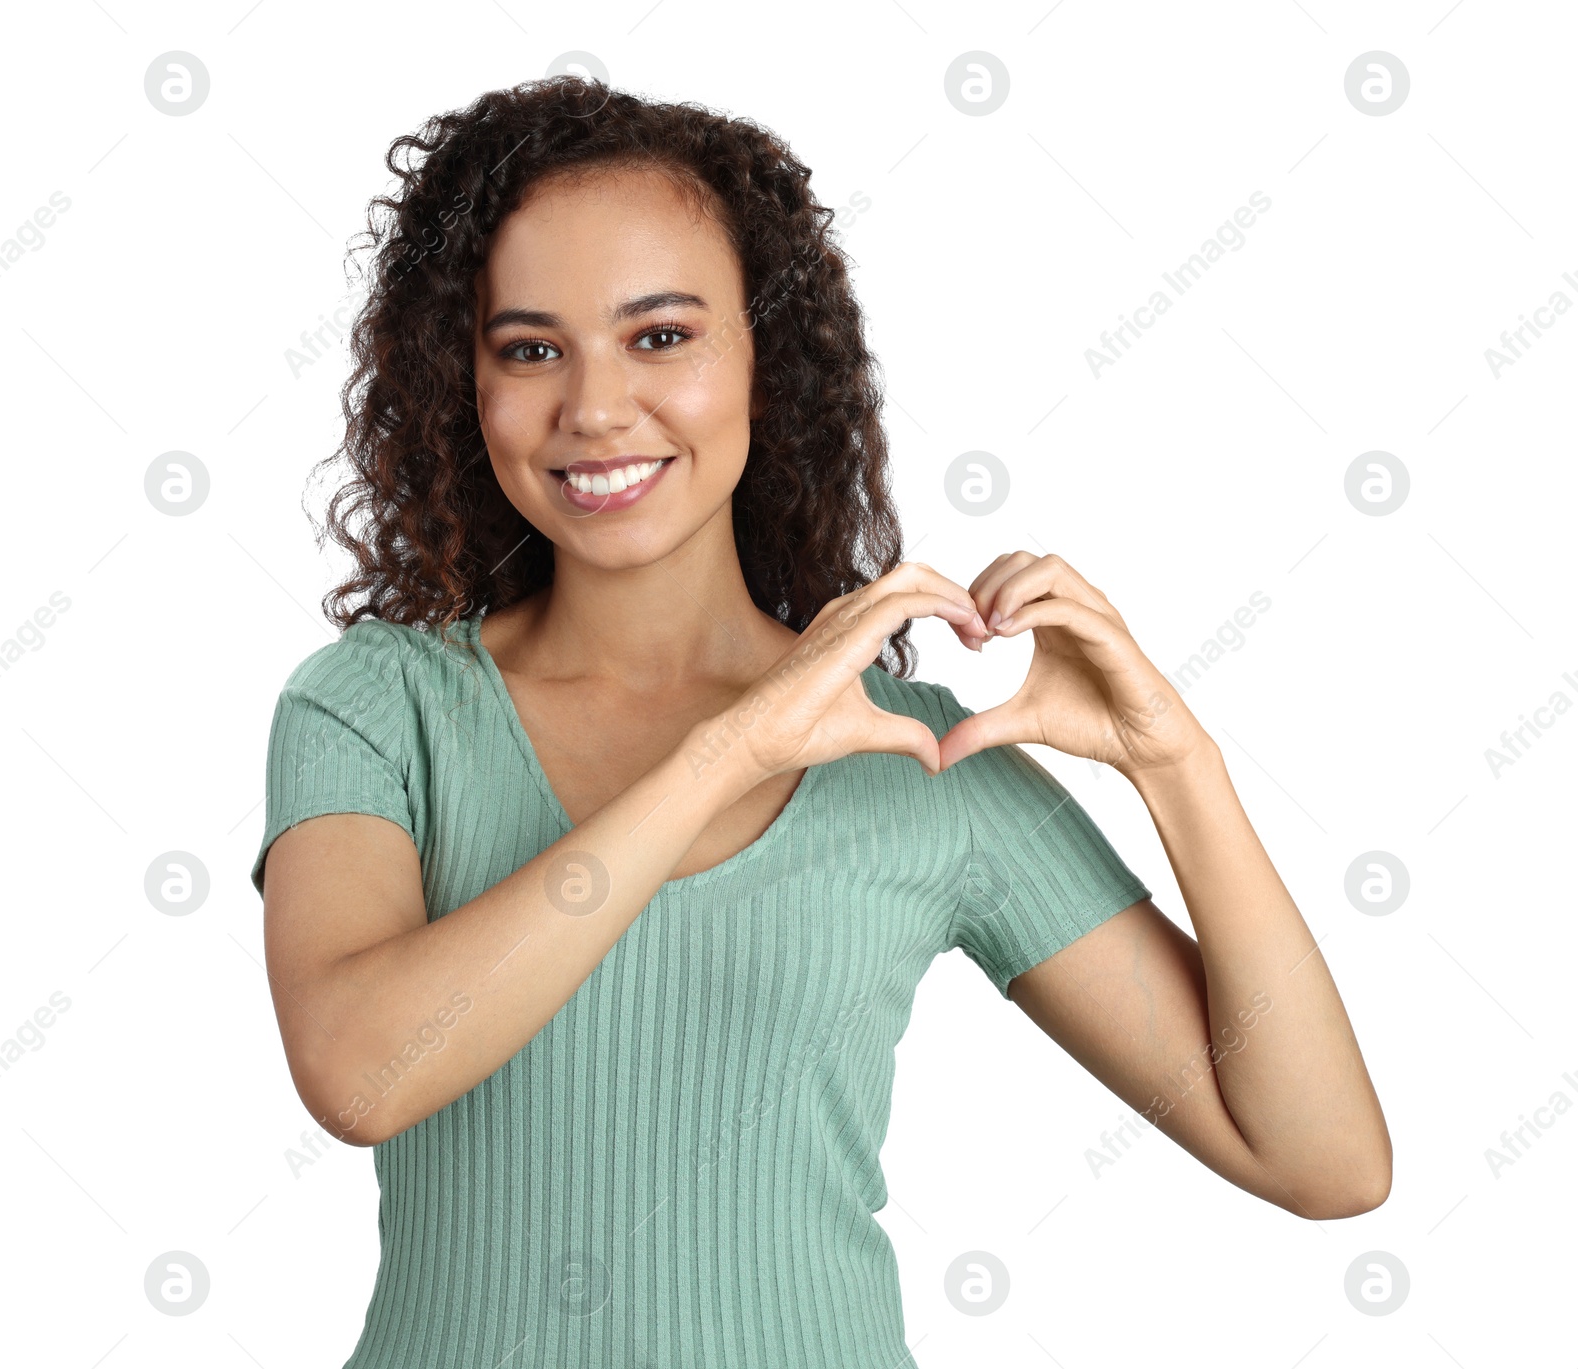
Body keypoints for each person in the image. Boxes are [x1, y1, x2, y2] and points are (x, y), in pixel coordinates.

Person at [252, 77, 1390, 1369]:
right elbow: (361, 1071)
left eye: (661, 335)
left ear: (765, 359)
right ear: (465, 381)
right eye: (529, 347)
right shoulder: (374, 706)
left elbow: (1327, 1160)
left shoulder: (920, 759)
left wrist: (1181, 768)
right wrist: (727, 752)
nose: (594, 406)